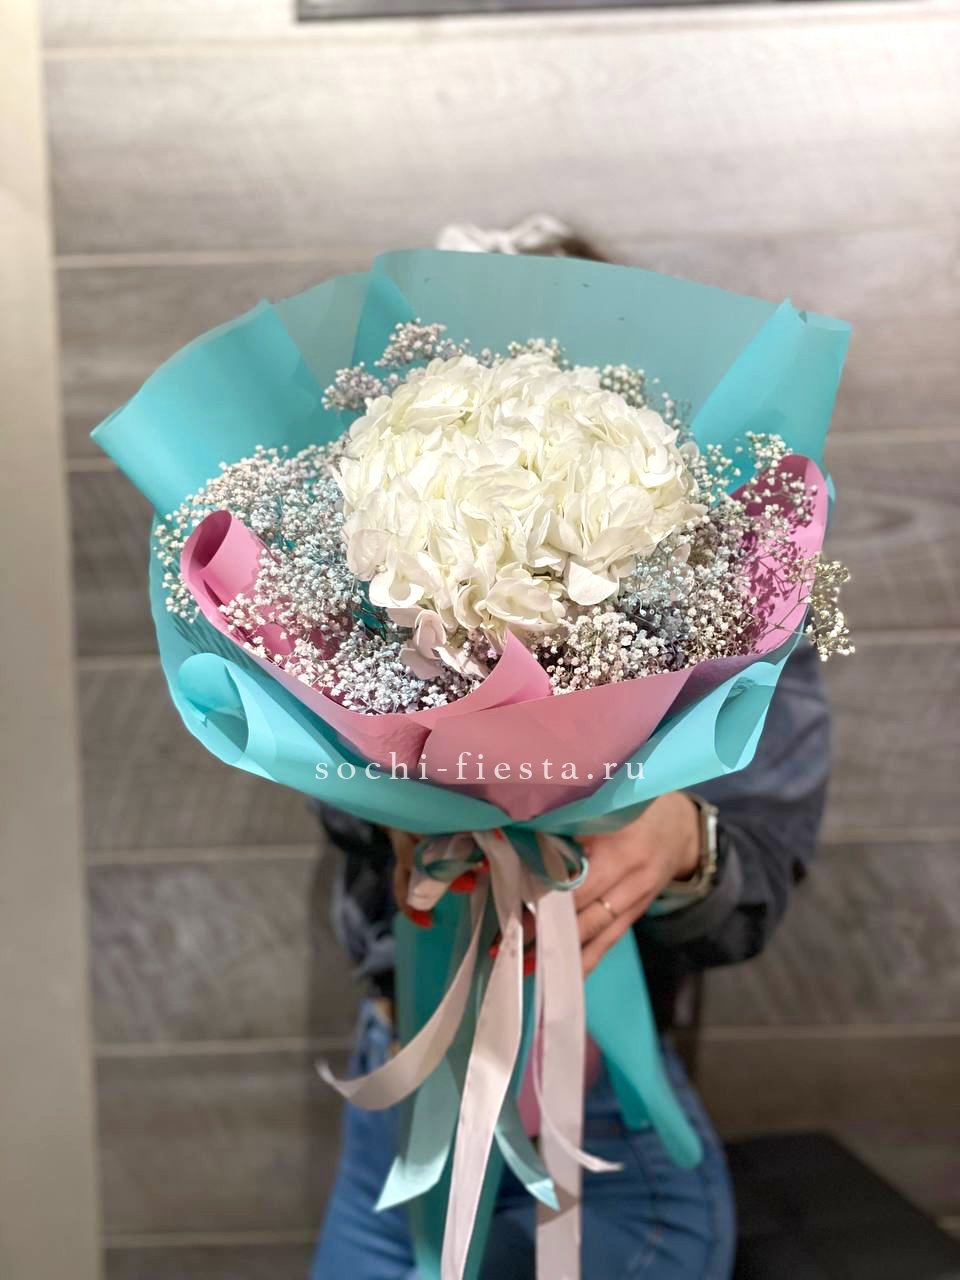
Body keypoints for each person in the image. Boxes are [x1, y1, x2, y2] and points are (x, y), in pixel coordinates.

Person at [309, 635, 831, 1280]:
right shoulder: (353, 585)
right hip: (400, 1097)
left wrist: (686, 841)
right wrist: (398, 797)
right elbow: (312, 753)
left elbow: (762, 869)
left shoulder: (750, 587)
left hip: (602, 1124)